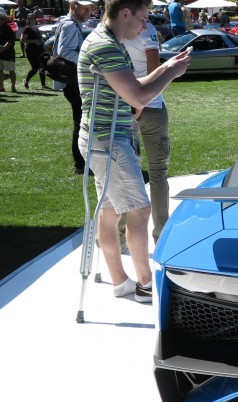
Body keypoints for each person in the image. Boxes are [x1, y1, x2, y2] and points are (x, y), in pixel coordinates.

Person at [77, 0, 191, 302]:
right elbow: (138, 96)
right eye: (142, 18)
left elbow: (130, 85)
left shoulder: (108, 41)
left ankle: (120, 282)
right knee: (138, 210)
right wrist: (171, 73)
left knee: (110, 210)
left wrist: (165, 67)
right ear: (125, 13)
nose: (145, 26)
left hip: (102, 138)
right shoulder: (105, 46)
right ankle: (145, 285)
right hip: (108, 141)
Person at [122, 19, 171, 244]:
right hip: (148, 106)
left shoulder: (113, 29)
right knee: (157, 173)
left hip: (127, 106)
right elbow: (155, 71)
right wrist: (139, 106)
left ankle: (119, 236)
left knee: (125, 174)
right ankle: (161, 237)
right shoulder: (146, 29)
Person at [56, 0, 93, 173]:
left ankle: (82, 163)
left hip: (72, 81)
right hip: (73, 82)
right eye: (84, 7)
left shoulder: (71, 23)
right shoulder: (70, 25)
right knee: (81, 122)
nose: (88, 11)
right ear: (73, 6)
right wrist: (88, 61)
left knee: (81, 121)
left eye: (90, 8)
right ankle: (81, 164)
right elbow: (64, 51)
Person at [20, 15, 49, 90]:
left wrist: (47, 51)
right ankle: (26, 81)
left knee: (42, 67)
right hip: (31, 50)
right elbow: (22, 40)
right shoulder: (27, 29)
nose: (32, 20)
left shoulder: (36, 28)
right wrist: (34, 41)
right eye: (31, 18)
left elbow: (41, 40)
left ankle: (43, 85)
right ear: (28, 20)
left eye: (33, 18)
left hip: (40, 50)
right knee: (35, 68)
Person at [0, 12, 15, 92]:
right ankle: (1, 87)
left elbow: (10, 41)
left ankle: (13, 87)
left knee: (11, 70)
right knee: (0, 70)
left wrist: (4, 48)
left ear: (2, 20)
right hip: (0, 52)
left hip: (8, 52)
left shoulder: (8, 28)